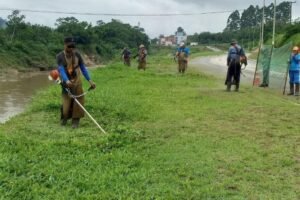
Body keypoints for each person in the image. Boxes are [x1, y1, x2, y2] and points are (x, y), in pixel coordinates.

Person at [57, 37, 96, 128]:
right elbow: (61, 70)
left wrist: (90, 81)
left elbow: (83, 69)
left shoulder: (77, 55)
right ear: (65, 45)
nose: (71, 49)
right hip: (65, 82)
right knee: (66, 103)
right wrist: (66, 80)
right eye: (69, 46)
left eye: (73, 47)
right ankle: (65, 117)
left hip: (77, 80)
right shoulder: (60, 56)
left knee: (79, 100)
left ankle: (75, 121)